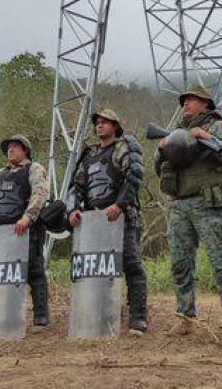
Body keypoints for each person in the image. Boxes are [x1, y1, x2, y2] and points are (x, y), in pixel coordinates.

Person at [154, 85, 222, 336]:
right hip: (181, 205)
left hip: (210, 204)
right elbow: (159, 169)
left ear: (205, 103)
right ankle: (185, 318)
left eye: (192, 99)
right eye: (184, 100)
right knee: (180, 264)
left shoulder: (218, 126)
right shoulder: (177, 132)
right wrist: (162, 149)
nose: (186, 103)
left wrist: (205, 137)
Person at [68, 109, 148, 336]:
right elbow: (77, 187)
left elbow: (134, 176)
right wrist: (73, 209)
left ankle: (138, 318)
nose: (99, 126)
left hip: (121, 217)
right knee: (98, 269)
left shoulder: (123, 147)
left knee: (132, 266)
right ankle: (102, 316)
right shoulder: (89, 156)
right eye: (98, 123)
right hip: (94, 222)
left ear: (115, 126)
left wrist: (120, 204)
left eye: (105, 122)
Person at [0, 134, 50, 329]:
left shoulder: (34, 169)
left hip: (27, 230)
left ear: (25, 150)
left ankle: (41, 316)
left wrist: (27, 218)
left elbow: (40, 193)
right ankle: (7, 315)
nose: (10, 150)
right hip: (2, 233)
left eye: (15, 146)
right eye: (8, 147)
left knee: (35, 272)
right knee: (6, 274)